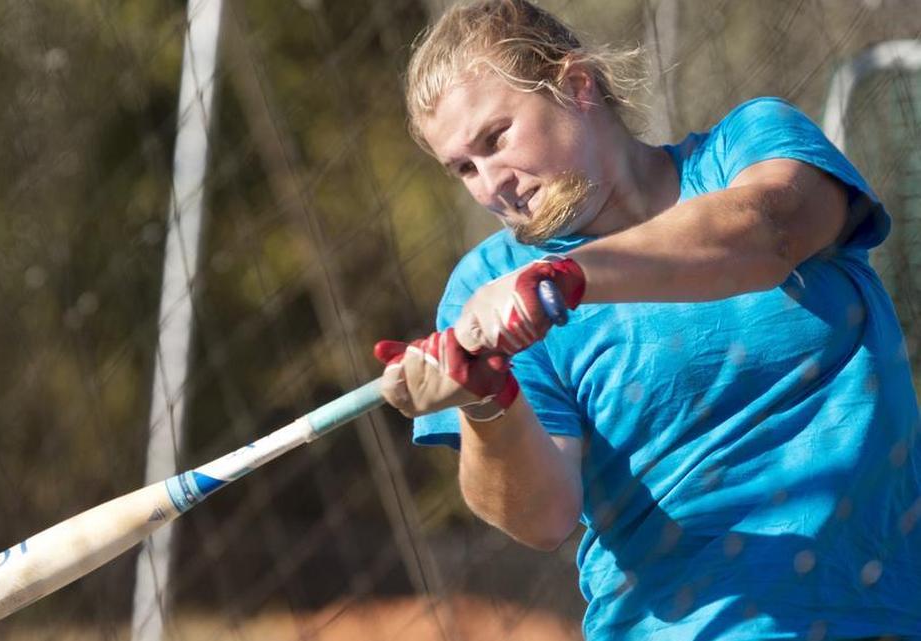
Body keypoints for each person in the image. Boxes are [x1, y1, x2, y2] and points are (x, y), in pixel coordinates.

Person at [372, 1, 921, 639]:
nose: (492, 184)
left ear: (577, 86)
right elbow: (542, 519)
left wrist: (567, 278)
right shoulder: (482, 287)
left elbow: (767, 231)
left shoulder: (746, 146)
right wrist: (487, 405)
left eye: (496, 138)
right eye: (464, 168)